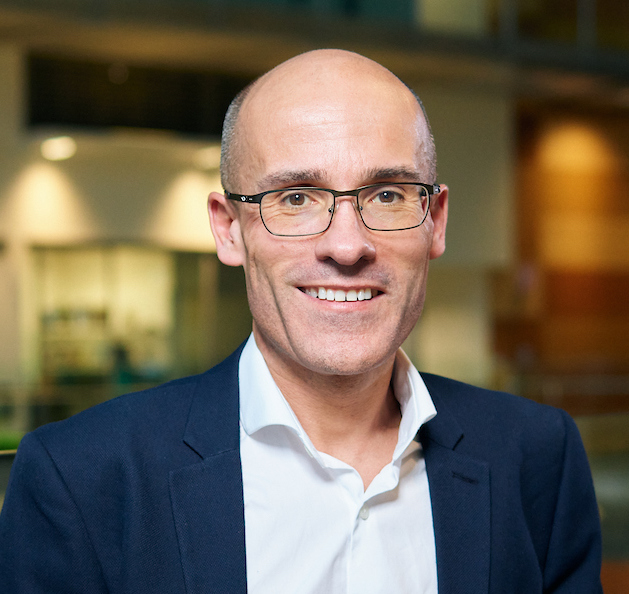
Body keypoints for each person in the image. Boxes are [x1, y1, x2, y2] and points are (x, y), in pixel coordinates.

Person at [0, 50, 602, 593]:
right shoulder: (80, 480)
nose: (347, 246)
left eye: (387, 194)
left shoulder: (536, 458)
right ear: (229, 230)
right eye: (295, 198)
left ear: (435, 221)